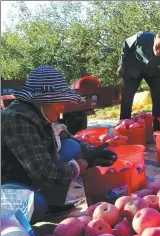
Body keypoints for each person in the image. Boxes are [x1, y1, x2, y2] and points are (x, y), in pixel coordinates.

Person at [1, 66, 117, 223]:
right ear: (42, 101)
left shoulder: (43, 115)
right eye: (58, 101)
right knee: (34, 204)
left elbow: (70, 138)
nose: (63, 107)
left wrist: (93, 151)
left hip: (28, 176)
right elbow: (45, 173)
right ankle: (31, 213)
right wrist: (83, 163)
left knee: (72, 147)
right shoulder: (18, 119)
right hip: (8, 184)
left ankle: (52, 205)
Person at [118, 31, 160, 131]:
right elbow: (126, 43)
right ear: (154, 40)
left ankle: (158, 129)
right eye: (158, 46)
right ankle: (124, 128)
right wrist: (122, 63)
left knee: (159, 94)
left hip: (151, 69)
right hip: (133, 65)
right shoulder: (142, 37)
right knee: (127, 96)